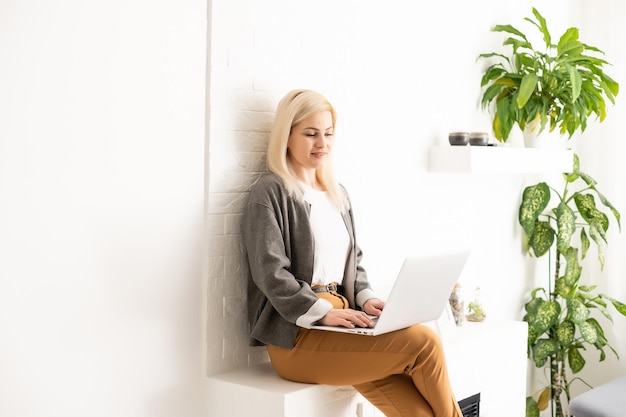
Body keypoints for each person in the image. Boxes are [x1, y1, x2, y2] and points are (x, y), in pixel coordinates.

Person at [242, 89, 463, 417]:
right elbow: (270, 273)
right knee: (424, 342)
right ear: (286, 136)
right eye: (311, 133)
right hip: (298, 337)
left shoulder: (336, 193)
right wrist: (321, 311)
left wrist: (365, 296)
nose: (322, 144)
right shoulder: (270, 192)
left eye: (329, 134)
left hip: (346, 322)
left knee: (419, 413)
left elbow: (353, 260)